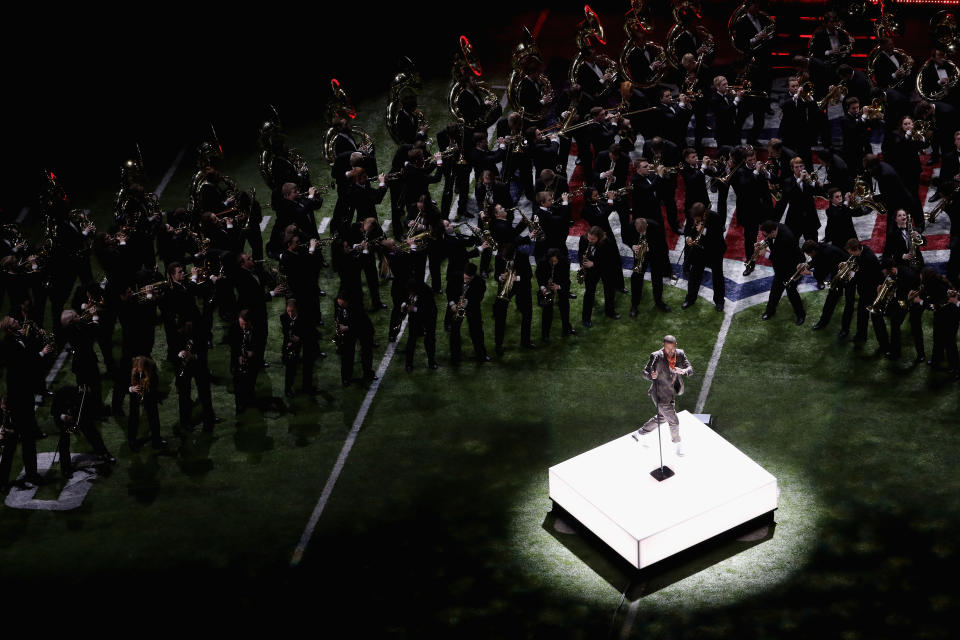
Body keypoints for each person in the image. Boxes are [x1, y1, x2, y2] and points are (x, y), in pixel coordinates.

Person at [636, 335, 694, 457]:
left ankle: (640, 433)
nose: (670, 352)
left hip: (671, 391)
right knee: (674, 421)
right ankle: (677, 445)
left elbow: (690, 368)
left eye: (672, 349)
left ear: (676, 345)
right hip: (659, 394)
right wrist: (651, 376)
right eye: (667, 349)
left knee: (662, 418)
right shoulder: (656, 356)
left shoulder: (680, 354)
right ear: (663, 346)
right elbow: (644, 372)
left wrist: (684, 371)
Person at [51, 385, 116, 479]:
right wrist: (64, 417)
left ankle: (104, 453)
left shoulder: (85, 398)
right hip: (64, 421)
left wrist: (80, 420)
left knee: (92, 433)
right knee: (64, 440)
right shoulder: (61, 396)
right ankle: (66, 468)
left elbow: (88, 413)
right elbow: (54, 412)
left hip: (79, 417)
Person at [759, 220, 806, 324]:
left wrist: (765, 254)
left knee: (791, 292)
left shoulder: (786, 238)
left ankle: (800, 314)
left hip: (792, 266)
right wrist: (762, 243)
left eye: (766, 235)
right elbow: (769, 241)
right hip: (781, 266)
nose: (764, 236)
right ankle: (770, 311)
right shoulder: (775, 227)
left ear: (773, 232)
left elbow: (781, 257)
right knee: (775, 290)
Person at [682, 204, 727, 312]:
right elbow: (687, 229)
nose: (695, 220)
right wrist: (688, 238)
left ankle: (719, 301)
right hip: (699, 250)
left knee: (717, 276)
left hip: (714, 251)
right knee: (694, 275)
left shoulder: (715, 217)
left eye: (696, 218)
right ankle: (690, 299)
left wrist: (703, 231)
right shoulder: (692, 215)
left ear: (703, 214)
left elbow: (718, 238)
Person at [127, 356, 167, 452]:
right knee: (133, 418)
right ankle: (132, 442)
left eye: (142, 371)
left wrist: (147, 389)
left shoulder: (151, 368)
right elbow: (121, 383)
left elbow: (155, 383)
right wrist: (131, 389)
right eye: (138, 371)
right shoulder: (129, 367)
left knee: (154, 417)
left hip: (149, 395)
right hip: (134, 395)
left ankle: (156, 441)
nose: (140, 373)